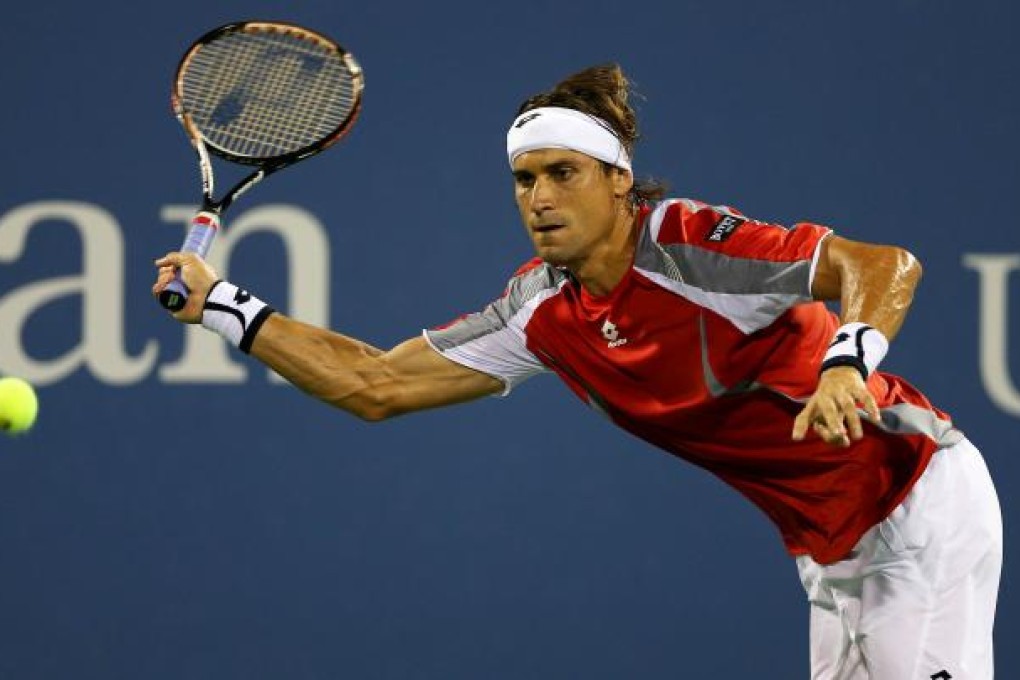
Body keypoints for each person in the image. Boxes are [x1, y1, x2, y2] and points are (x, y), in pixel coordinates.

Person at [153, 64, 1002, 679]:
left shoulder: (690, 246)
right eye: (524, 180)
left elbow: (885, 265)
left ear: (618, 180)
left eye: (563, 174)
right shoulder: (540, 312)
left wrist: (847, 363)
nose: (539, 197)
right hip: (830, 549)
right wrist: (226, 305)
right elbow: (377, 384)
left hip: (916, 498)